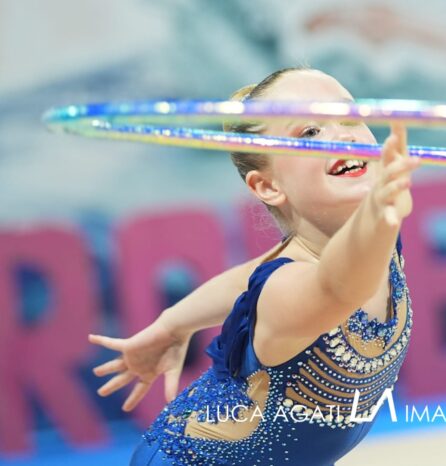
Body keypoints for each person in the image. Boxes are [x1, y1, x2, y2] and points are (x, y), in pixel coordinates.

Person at [88, 66, 420, 465]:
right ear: (268, 186)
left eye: (349, 117)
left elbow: (247, 279)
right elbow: (335, 288)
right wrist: (378, 216)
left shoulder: (364, 241)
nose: (344, 134)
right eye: (310, 132)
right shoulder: (298, 284)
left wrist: (173, 323)